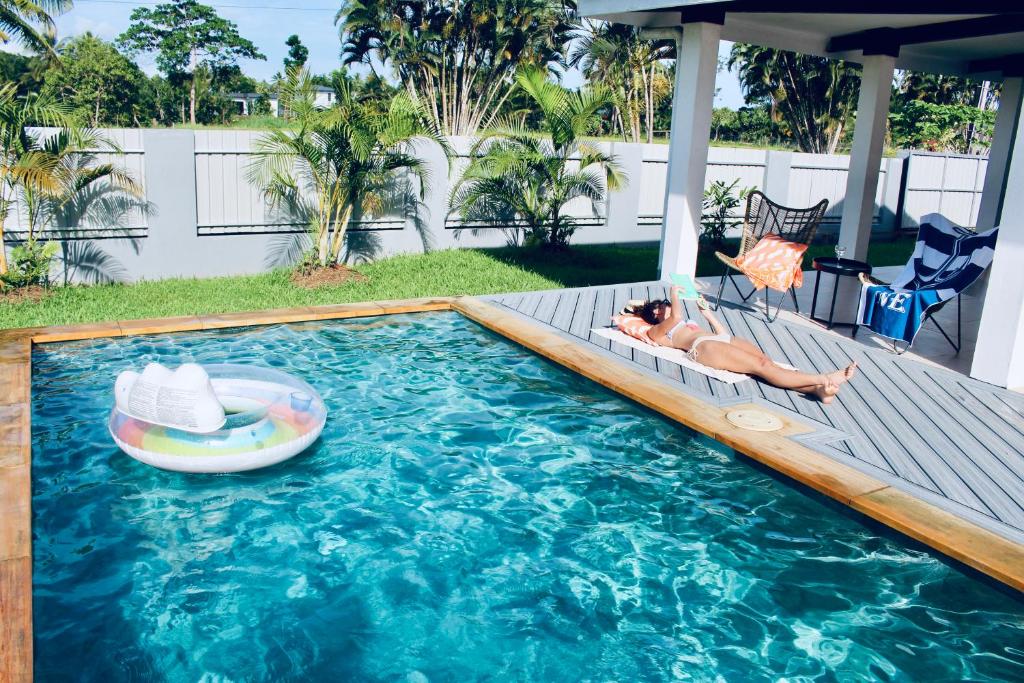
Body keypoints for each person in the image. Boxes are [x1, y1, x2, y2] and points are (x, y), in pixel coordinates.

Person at [626, 286, 856, 404]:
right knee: (761, 366)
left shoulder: (683, 320)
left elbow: (721, 332)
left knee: (767, 362)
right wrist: (673, 295)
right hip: (703, 348)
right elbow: (675, 318)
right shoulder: (657, 330)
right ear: (654, 315)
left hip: (718, 338)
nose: (664, 308)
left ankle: (819, 392)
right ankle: (822, 379)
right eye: (659, 308)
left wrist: (708, 316)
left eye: (665, 304)